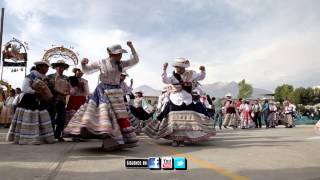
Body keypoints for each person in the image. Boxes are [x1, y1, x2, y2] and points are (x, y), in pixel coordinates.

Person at [64, 41, 139, 150]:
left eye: (121, 54)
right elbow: (87, 69)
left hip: (116, 93)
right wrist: (83, 64)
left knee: (118, 117)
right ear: (112, 54)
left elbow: (135, 60)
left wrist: (131, 47)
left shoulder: (121, 64)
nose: (121, 55)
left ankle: (116, 141)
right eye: (119, 54)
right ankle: (108, 142)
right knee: (105, 116)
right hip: (103, 91)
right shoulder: (101, 62)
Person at [144, 58, 215, 147]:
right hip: (175, 99)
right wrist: (164, 69)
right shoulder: (172, 75)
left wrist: (202, 70)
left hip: (187, 100)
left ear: (183, 67)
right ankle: (175, 139)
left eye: (179, 67)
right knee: (173, 120)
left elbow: (201, 77)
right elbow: (165, 80)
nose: (177, 68)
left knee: (185, 121)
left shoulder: (191, 73)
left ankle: (182, 140)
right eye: (176, 66)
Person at [7, 60, 55, 145]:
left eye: (47, 67)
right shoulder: (30, 76)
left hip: (40, 100)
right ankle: (28, 138)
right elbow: (25, 88)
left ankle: (41, 138)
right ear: (39, 67)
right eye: (45, 67)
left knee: (40, 119)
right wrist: (35, 92)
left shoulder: (45, 78)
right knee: (30, 118)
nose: (47, 69)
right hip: (29, 100)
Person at [47, 60, 71, 141]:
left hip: (63, 101)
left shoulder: (66, 78)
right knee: (51, 118)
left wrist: (65, 95)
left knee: (61, 118)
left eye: (62, 66)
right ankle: (50, 134)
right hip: (52, 100)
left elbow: (69, 89)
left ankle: (58, 135)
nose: (61, 68)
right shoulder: (49, 77)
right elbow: (48, 88)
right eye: (59, 66)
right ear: (55, 67)